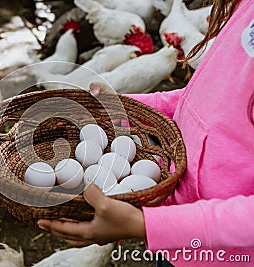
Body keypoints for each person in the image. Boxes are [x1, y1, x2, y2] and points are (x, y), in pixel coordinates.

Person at [37, 0, 254, 266]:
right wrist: (123, 108)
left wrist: (144, 224)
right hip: (175, 234)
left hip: (226, 256)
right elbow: (209, 96)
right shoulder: (246, 9)